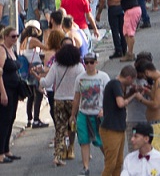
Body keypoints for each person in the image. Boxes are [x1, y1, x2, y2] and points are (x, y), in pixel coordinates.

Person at [41, 38, 85, 166]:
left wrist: (40, 80)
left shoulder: (56, 66)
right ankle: (71, 148)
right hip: (74, 101)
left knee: (60, 128)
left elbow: (47, 82)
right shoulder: (78, 67)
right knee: (73, 126)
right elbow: (83, 83)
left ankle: (57, 155)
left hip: (59, 100)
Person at [71, 50, 110, 176]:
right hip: (83, 113)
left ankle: (109, 163)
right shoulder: (80, 78)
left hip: (98, 114)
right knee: (84, 141)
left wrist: (105, 110)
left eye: (91, 62)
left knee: (101, 141)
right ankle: (85, 167)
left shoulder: (103, 77)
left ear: (96, 63)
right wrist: (73, 115)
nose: (89, 65)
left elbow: (109, 96)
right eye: (86, 62)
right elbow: (77, 97)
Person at [99, 65, 138, 176]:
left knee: (118, 162)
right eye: (132, 80)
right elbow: (121, 103)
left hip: (119, 128)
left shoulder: (117, 86)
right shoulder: (115, 84)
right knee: (111, 163)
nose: (132, 83)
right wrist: (134, 95)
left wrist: (130, 93)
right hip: (111, 128)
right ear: (129, 78)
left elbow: (121, 98)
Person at [133, 60, 160, 154]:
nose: (145, 79)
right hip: (156, 124)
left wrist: (141, 99)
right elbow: (159, 97)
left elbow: (156, 104)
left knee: (155, 156)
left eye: (144, 76)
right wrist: (148, 92)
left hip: (158, 124)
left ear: (147, 72)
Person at [0, 26, 23, 164]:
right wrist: (2, 93)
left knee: (11, 118)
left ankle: (6, 149)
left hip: (14, 89)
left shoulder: (12, 50)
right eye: (13, 36)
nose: (15, 39)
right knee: (4, 120)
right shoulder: (2, 50)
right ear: (6, 36)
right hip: (6, 89)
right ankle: (1, 152)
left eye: (17, 36)